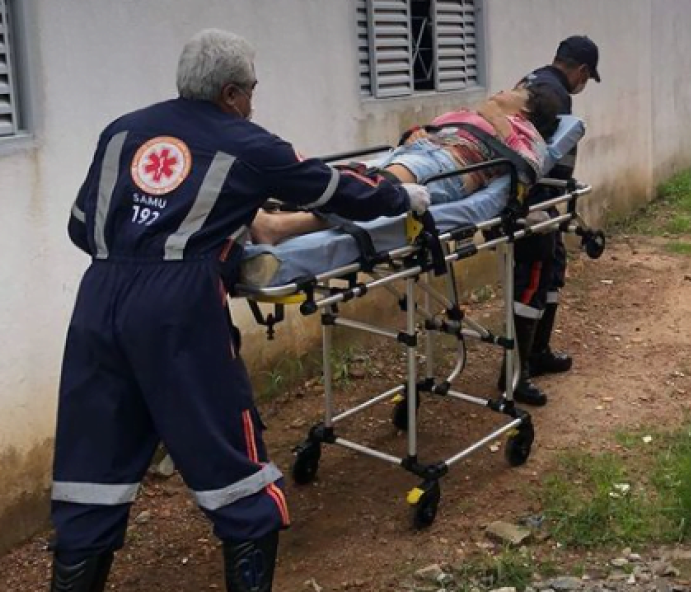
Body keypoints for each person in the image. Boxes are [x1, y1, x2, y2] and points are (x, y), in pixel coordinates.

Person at [50, 29, 430, 592]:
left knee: (92, 464)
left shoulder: (121, 131)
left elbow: (81, 228)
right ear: (231, 93)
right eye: (251, 90)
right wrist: (403, 197)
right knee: (229, 456)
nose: (254, 101)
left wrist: (153, 245)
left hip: (98, 301)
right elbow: (334, 189)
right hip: (178, 311)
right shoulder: (249, 144)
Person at [249, 85, 564, 245]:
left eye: (511, 91)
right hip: (422, 150)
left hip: (451, 163)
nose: (499, 92)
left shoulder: (526, 133)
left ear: (524, 108)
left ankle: (278, 226)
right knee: (346, 176)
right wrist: (417, 132)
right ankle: (284, 207)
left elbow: (530, 166)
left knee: (372, 188)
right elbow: (432, 126)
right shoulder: (476, 113)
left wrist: (496, 115)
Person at [500, 35, 601, 407]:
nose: (584, 84)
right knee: (532, 279)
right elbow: (525, 151)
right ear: (581, 70)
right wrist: (534, 203)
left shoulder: (535, 82)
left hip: (546, 199)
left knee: (553, 268)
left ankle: (538, 352)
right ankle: (514, 373)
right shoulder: (553, 96)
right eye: (587, 78)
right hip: (532, 202)